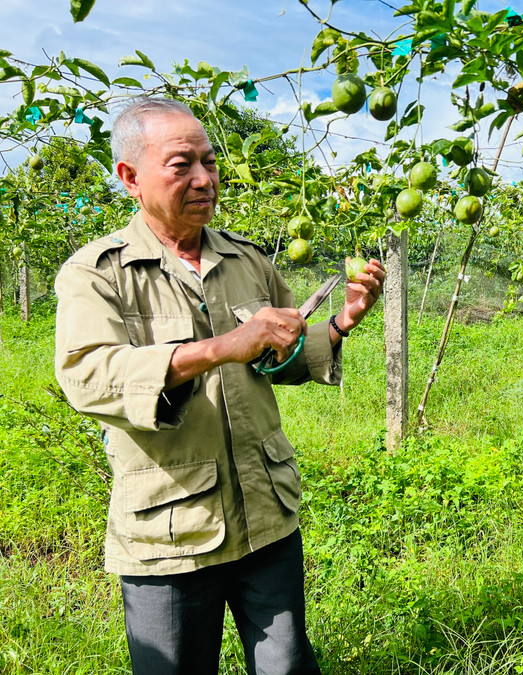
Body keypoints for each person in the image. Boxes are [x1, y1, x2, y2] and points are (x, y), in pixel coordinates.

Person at [54, 97, 385, 674]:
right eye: (182, 165)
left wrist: (340, 323)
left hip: (266, 514)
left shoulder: (246, 259)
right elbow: (87, 376)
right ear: (130, 177)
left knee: (287, 667)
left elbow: (276, 358)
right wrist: (215, 349)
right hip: (170, 530)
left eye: (209, 162)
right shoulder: (97, 273)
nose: (205, 179)